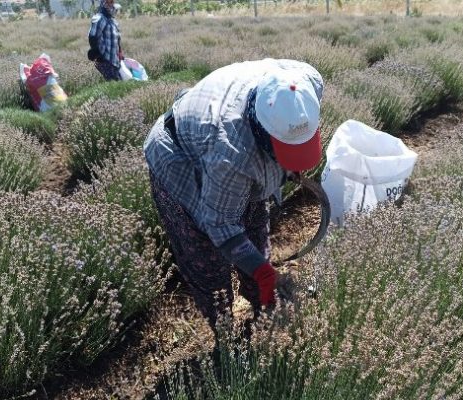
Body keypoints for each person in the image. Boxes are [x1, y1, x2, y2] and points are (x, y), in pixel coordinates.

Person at [143, 58, 324, 330]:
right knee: (207, 261)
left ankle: (262, 310)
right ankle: (224, 332)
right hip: (179, 157)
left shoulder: (305, 83)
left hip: (216, 135)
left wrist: (291, 163)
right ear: (264, 134)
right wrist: (264, 273)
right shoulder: (232, 152)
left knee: (255, 234)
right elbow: (221, 224)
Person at [88, 0, 124, 81]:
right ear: (102, 4)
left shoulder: (113, 21)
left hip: (114, 59)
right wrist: (98, 54)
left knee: (120, 82)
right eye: (107, 2)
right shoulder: (99, 18)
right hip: (104, 58)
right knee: (115, 82)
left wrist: (120, 52)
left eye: (111, 2)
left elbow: (117, 38)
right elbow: (93, 36)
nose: (109, 5)